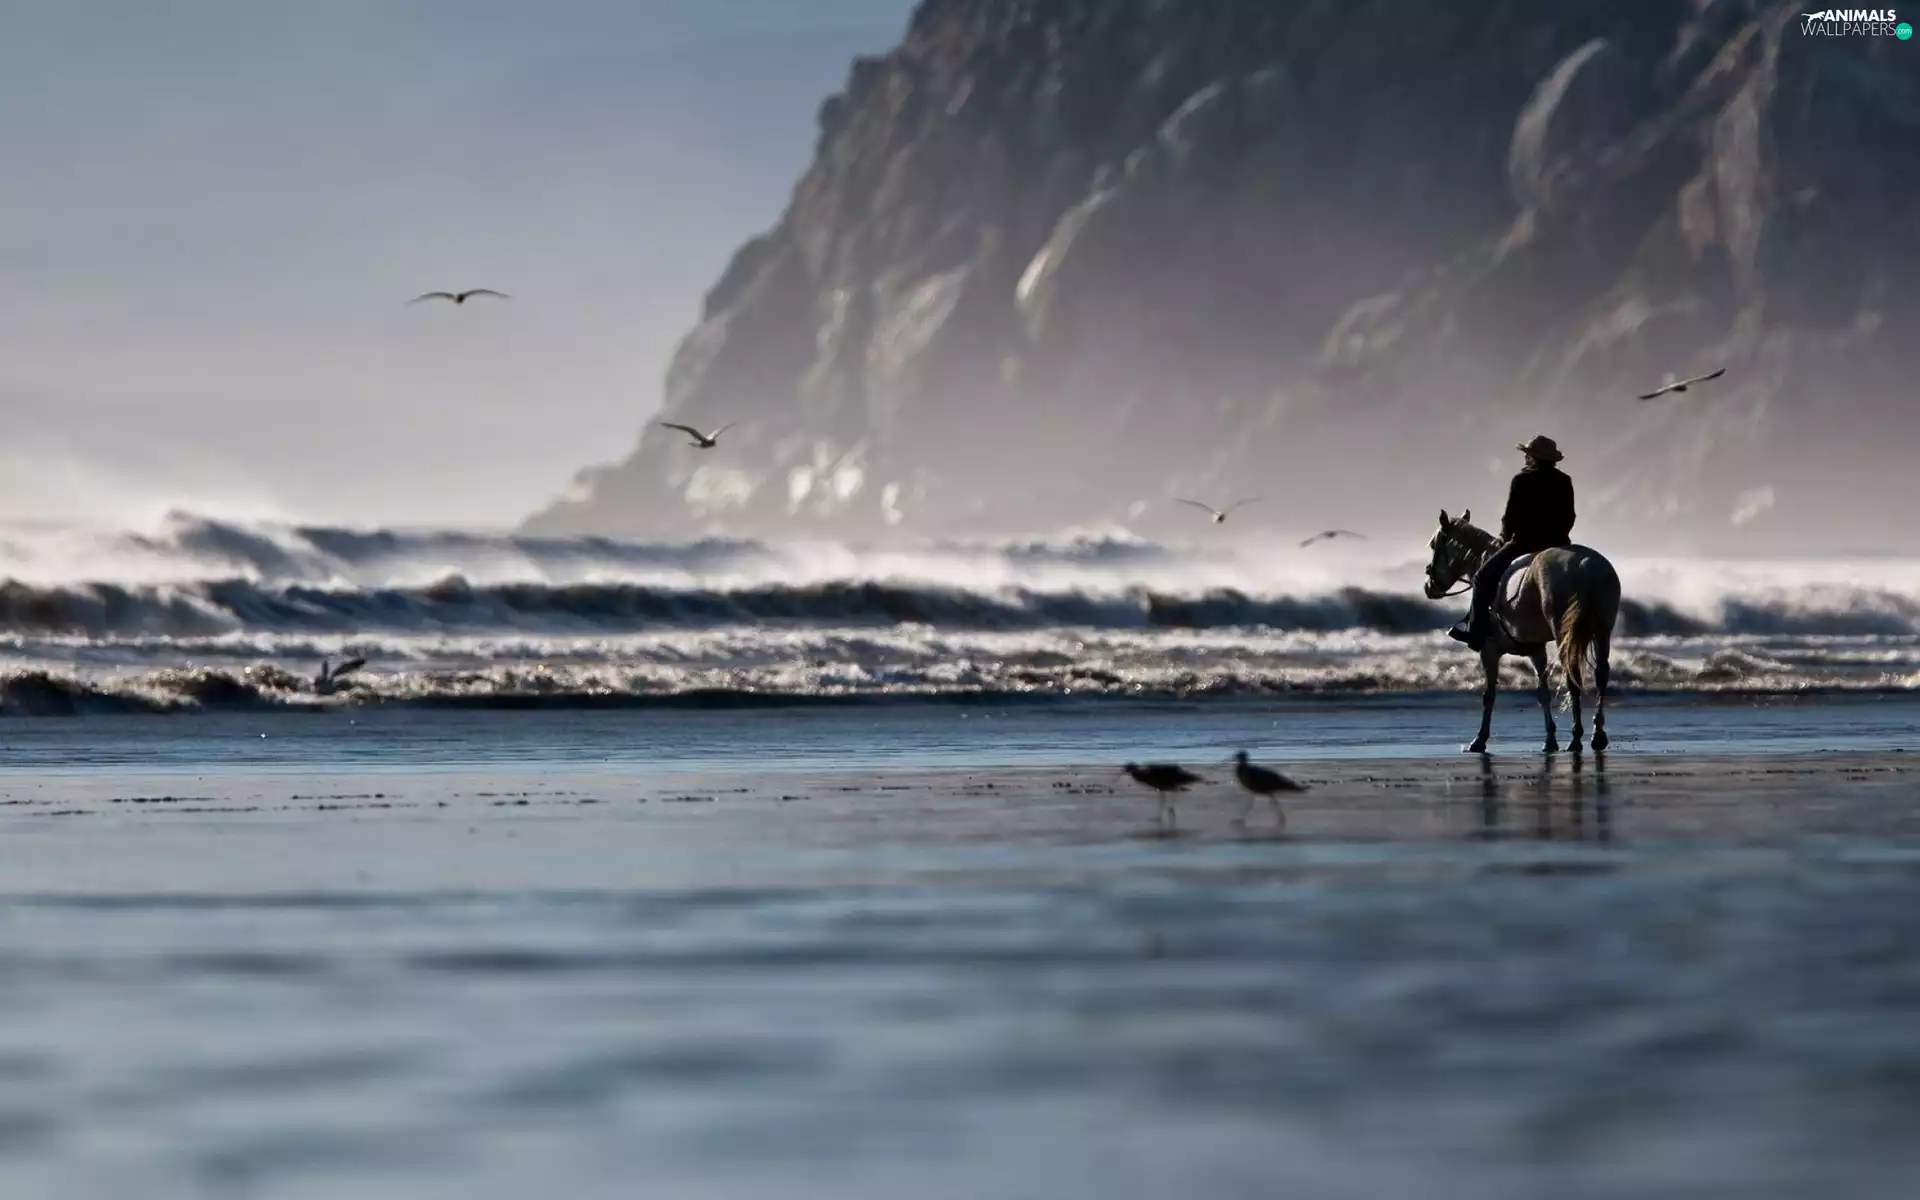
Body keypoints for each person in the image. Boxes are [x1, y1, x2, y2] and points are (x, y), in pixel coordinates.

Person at [1448, 434, 1576, 651]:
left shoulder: (1522, 480)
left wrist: (1504, 538)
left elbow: (1510, 517)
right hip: (1558, 545)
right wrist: (1558, 537)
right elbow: (1570, 516)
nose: (1525, 458)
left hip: (1525, 543)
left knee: (1481, 578)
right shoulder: (1564, 480)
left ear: (1533, 457)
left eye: (1527, 454)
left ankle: (1476, 632)